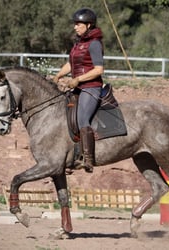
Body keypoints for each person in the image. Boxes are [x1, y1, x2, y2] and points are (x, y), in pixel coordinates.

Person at [53, 8, 104, 173]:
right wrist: (58, 76)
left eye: (78, 24)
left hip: (91, 88)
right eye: (75, 24)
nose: (75, 27)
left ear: (88, 25)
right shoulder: (78, 44)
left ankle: (87, 159)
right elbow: (71, 65)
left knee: (82, 119)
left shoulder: (95, 44)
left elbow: (98, 70)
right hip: (77, 88)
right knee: (66, 117)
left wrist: (78, 80)